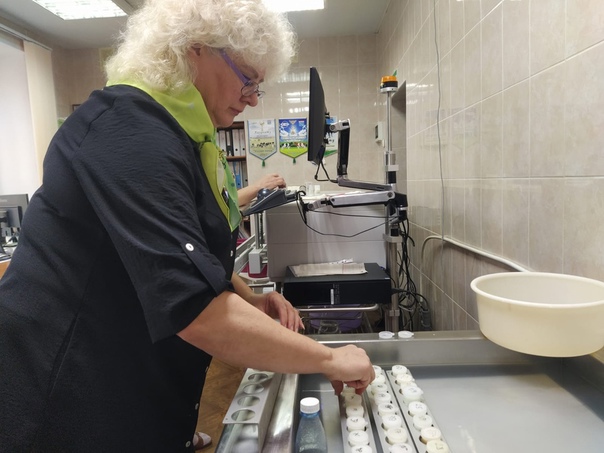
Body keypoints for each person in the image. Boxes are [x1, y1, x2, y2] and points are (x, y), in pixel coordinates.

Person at [0, 1, 375, 452]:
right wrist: (329, 359)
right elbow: (196, 311)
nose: (253, 98)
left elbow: (192, 257)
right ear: (195, 48)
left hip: (134, 377)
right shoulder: (128, 132)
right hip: (64, 390)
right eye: (248, 78)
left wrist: (251, 300)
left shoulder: (184, 138)